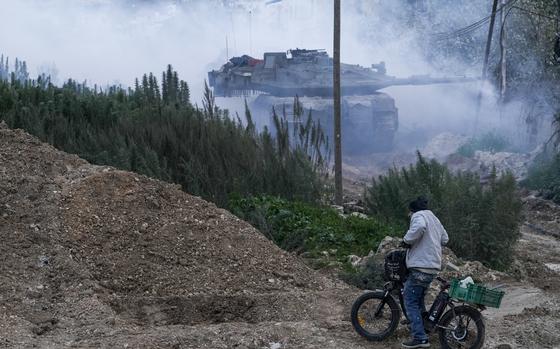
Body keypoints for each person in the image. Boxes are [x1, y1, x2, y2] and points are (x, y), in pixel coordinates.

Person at [401, 196, 449, 349]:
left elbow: (420, 227)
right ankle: (424, 327)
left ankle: (420, 338)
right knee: (419, 298)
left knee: (409, 300)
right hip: (433, 266)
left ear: (412, 210)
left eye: (410, 212)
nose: (410, 215)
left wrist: (407, 240)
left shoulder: (419, 216)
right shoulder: (434, 218)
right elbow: (445, 239)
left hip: (421, 266)